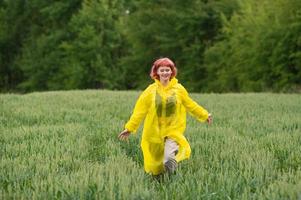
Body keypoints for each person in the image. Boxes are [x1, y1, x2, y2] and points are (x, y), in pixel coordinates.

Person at [118, 57, 212, 176]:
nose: (165, 73)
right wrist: (130, 128)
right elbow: (139, 111)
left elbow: (190, 104)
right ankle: (160, 178)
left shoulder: (179, 89)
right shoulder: (150, 91)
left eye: (167, 70)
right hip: (155, 131)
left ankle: (170, 178)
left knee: (168, 159)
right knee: (156, 162)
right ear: (156, 72)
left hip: (173, 130)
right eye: (162, 70)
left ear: (172, 72)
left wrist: (204, 115)